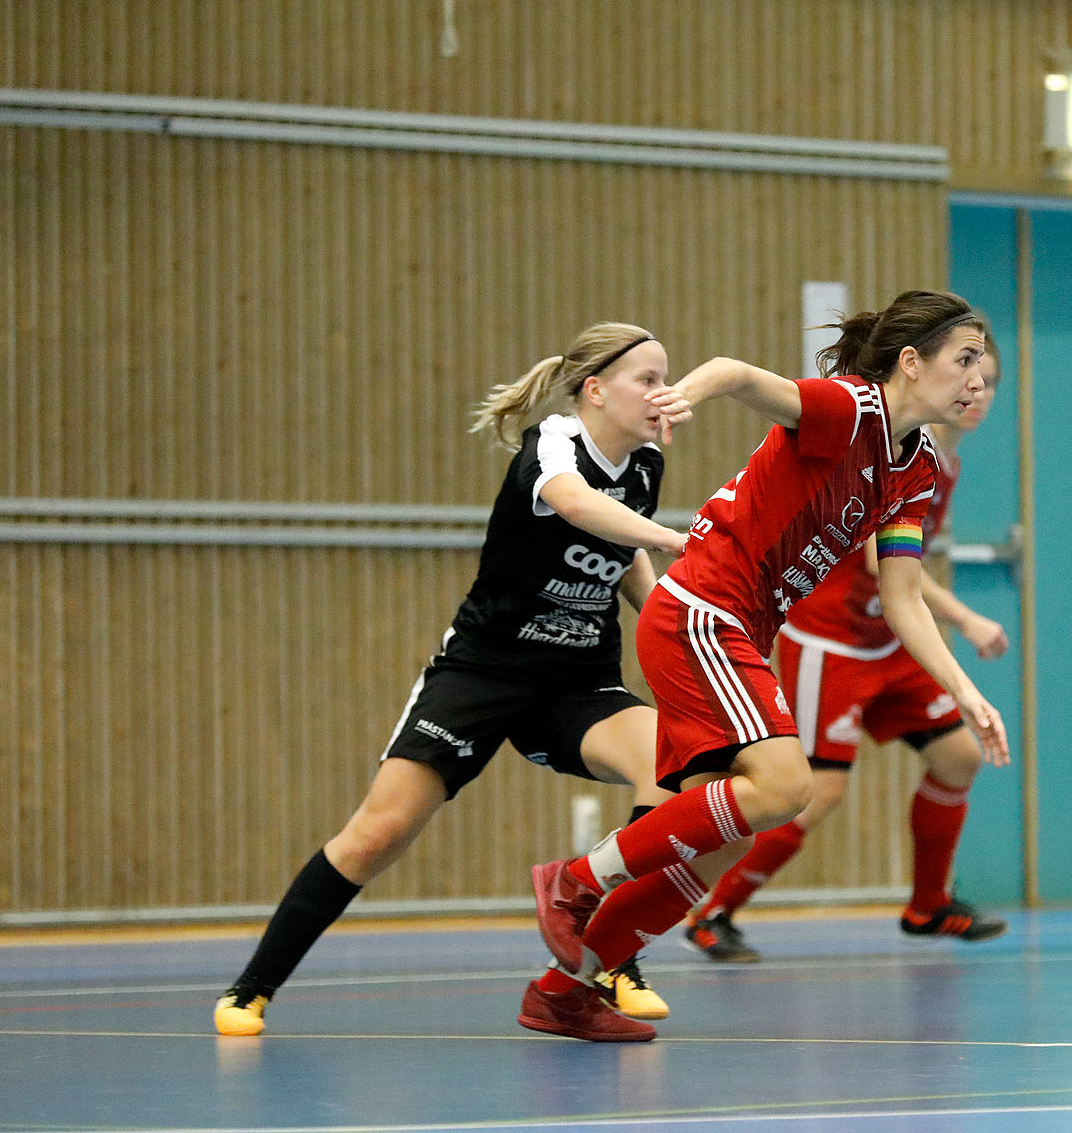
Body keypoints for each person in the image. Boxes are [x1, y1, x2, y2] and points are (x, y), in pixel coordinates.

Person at [517, 289, 1010, 1043]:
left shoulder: (910, 472)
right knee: (788, 784)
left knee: (729, 835)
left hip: (740, 628)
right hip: (701, 609)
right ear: (910, 363)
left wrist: (966, 692)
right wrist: (686, 395)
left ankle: (566, 987)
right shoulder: (852, 409)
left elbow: (904, 598)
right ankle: (576, 881)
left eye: (986, 366)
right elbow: (737, 373)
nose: (980, 379)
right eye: (965, 360)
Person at [213, 323, 691, 1037]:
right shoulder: (556, 443)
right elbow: (576, 504)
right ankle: (252, 987)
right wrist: (678, 539)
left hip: (578, 684)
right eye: (646, 379)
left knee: (674, 765)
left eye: (667, 378)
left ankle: (610, 953)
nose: (664, 393)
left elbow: (623, 554)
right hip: (484, 674)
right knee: (378, 833)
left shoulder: (646, 464)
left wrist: (678, 628)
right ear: (595, 391)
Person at [686, 347, 1010, 962]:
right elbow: (879, 564)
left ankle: (927, 905)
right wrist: (967, 619)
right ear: (921, 368)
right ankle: (714, 911)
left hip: (887, 640)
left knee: (959, 757)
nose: (980, 391)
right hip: (832, 639)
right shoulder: (895, 445)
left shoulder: (944, 461)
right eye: (970, 373)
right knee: (816, 790)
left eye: (990, 381)